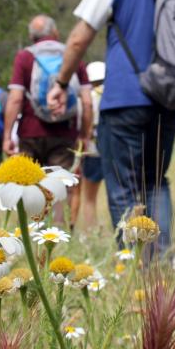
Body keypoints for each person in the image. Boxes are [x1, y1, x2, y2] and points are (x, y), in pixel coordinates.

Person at [46, 0, 175, 252]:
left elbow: (79, 38)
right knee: (156, 182)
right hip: (170, 100)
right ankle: (158, 265)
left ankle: (131, 266)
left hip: (124, 99)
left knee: (123, 188)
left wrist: (61, 82)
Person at [3, 13, 92, 173]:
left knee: (26, 187)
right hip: (64, 132)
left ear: (31, 36)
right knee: (57, 188)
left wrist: (7, 136)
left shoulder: (25, 57)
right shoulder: (73, 56)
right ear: (55, 32)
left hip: (30, 132)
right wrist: (85, 135)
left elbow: (15, 99)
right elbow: (87, 102)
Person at [79, 61, 106, 232]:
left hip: (93, 151)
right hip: (115, 150)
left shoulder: (88, 97)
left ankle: (91, 232)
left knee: (89, 198)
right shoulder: (114, 94)